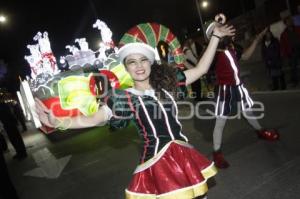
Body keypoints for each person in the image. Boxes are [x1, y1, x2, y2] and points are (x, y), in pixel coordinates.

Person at [35, 14, 235, 199]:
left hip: (183, 153)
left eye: (143, 60)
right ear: (126, 67)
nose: (139, 66)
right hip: (158, 162)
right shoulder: (125, 98)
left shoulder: (168, 84)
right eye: (132, 62)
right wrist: (59, 121)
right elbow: (94, 118)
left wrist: (216, 36)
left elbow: (201, 69)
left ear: (150, 62)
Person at [209, 27, 280, 169]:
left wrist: (256, 40)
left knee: (248, 112)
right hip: (224, 89)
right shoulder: (213, 52)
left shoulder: (232, 45)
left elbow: (245, 56)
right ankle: (217, 153)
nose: (228, 31)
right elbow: (202, 68)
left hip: (238, 86)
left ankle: (261, 132)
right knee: (220, 122)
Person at [0, 89, 27, 160]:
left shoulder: (3, 105)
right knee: (15, 139)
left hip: (10, 125)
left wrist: (14, 122)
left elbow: (9, 115)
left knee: (15, 139)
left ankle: (22, 153)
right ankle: (20, 152)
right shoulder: (4, 105)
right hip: (9, 124)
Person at [280, 16, 300, 87]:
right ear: (285, 23)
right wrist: (285, 54)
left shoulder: (298, 28)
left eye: (291, 20)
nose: (290, 22)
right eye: (288, 21)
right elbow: (283, 45)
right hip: (292, 51)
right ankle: (295, 80)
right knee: (293, 66)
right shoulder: (284, 34)